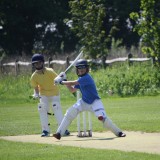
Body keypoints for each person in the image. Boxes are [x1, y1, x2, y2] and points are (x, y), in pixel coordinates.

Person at [53, 59, 126, 140]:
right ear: (77, 70)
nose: (81, 70)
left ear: (87, 69)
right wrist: (65, 80)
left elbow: (74, 82)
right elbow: (72, 90)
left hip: (95, 102)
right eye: (79, 68)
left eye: (83, 68)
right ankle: (59, 133)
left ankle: (119, 132)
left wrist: (61, 82)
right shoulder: (80, 79)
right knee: (69, 113)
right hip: (84, 101)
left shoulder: (86, 77)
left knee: (104, 118)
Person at [30, 53, 70, 137]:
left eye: (39, 62)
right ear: (34, 65)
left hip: (54, 93)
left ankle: (63, 129)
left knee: (56, 108)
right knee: (42, 109)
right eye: (36, 63)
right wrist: (36, 94)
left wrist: (61, 78)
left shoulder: (50, 71)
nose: (38, 65)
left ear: (43, 62)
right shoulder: (34, 76)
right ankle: (45, 130)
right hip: (43, 94)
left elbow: (58, 79)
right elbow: (36, 87)